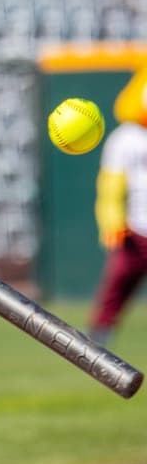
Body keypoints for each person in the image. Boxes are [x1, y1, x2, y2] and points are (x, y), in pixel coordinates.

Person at [89, 68, 147, 346]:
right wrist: (112, 221)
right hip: (136, 231)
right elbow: (111, 187)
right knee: (117, 284)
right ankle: (99, 336)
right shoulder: (125, 137)